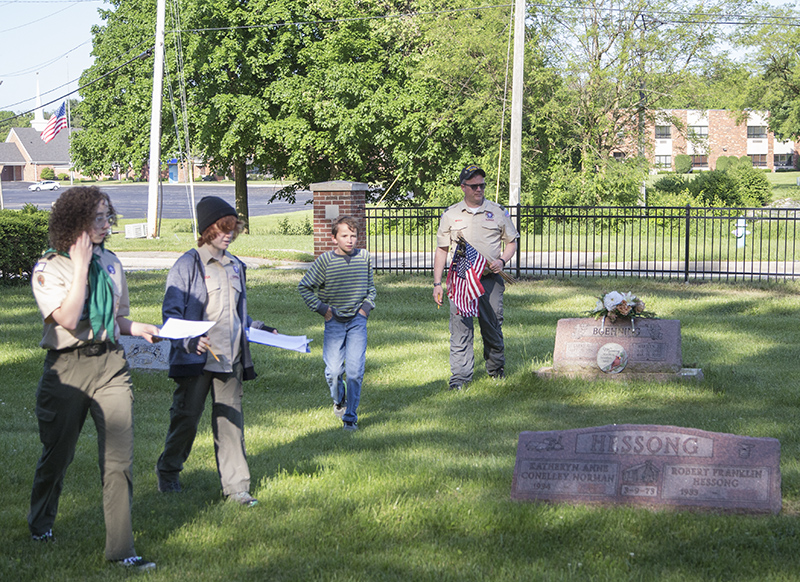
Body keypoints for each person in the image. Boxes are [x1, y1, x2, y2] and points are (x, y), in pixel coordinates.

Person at [29, 186, 158, 571]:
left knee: (119, 460)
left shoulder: (113, 263)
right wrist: (82, 266)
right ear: (76, 222)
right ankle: (40, 524)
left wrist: (139, 328)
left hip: (111, 366)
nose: (106, 224)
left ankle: (121, 550)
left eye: (107, 216)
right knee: (58, 454)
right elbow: (67, 320)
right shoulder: (50, 267)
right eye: (97, 218)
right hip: (67, 368)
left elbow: (116, 319)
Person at [155, 196, 274, 506]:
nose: (228, 235)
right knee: (186, 420)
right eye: (223, 228)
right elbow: (171, 315)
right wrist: (189, 340)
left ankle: (237, 489)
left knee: (231, 425)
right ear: (207, 230)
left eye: (233, 228)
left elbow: (237, 314)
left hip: (230, 360)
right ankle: (168, 470)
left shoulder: (236, 266)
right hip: (197, 361)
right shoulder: (187, 265)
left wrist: (259, 327)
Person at [432, 164, 519, 390]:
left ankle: (495, 369)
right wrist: (437, 283)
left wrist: (502, 260)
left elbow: (512, 241)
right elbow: (442, 249)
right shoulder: (450, 214)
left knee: (492, 326)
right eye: (473, 186)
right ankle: (460, 379)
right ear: (463, 187)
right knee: (460, 329)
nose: (479, 189)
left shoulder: (498, 211)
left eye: (482, 185)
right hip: (461, 281)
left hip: (489, 279)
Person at [298, 216, 376, 431]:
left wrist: (364, 309)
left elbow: (371, 288)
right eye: (344, 236)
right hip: (334, 323)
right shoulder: (325, 261)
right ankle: (338, 400)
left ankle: (350, 418)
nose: (350, 240)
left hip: (357, 322)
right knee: (333, 372)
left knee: (354, 372)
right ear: (334, 238)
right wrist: (323, 309)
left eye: (353, 236)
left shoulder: (364, 257)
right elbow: (304, 286)